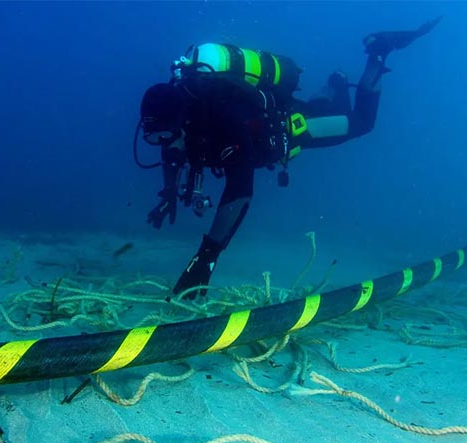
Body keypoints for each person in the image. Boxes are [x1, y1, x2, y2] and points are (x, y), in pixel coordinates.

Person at [138, 17, 442, 300]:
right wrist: (169, 192)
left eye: (165, 135)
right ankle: (336, 84)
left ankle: (378, 53)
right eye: (154, 138)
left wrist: (207, 256)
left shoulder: (223, 118)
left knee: (361, 123)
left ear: (182, 118)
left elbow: (240, 191)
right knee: (316, 109)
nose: (164, 144)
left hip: (292, 128)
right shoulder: (182, 121)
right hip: (277, 118)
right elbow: (173, 150)